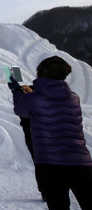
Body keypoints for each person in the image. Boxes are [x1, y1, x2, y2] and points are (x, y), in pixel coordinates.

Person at [10, 56, 92, 210]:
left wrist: (16, 90)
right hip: (80, 163)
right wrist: (34, 93)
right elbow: (51, 100)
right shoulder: (74, 98)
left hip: (50, 164)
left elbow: (21, 109)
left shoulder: (33, 100)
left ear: (41, 72)